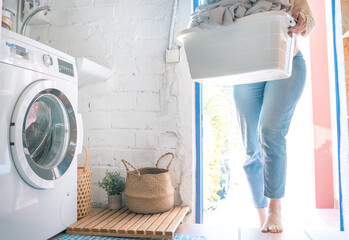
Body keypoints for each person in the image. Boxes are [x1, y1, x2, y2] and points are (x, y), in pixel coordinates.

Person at [232, 0, 315, 234]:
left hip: (286, 61)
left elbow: (309, 18)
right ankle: (261, 212)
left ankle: (275, 208)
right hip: (247, 68)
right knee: (251, 146)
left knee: (270, 131)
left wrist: (303, 21)